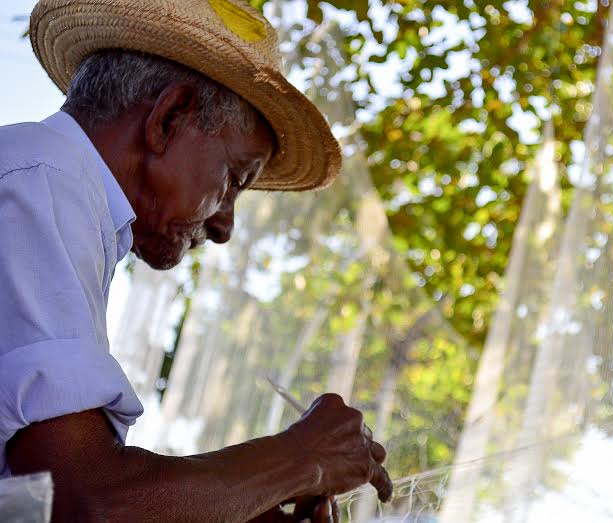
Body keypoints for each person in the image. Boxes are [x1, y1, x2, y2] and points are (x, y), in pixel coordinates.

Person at [0, 0, 393, 521]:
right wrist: (304, 458)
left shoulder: (54, 190)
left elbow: (31, 503)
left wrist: (240, 501)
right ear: (169, 118)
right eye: (234, 179)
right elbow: (84, 501)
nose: (224, 225)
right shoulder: (41, 184)